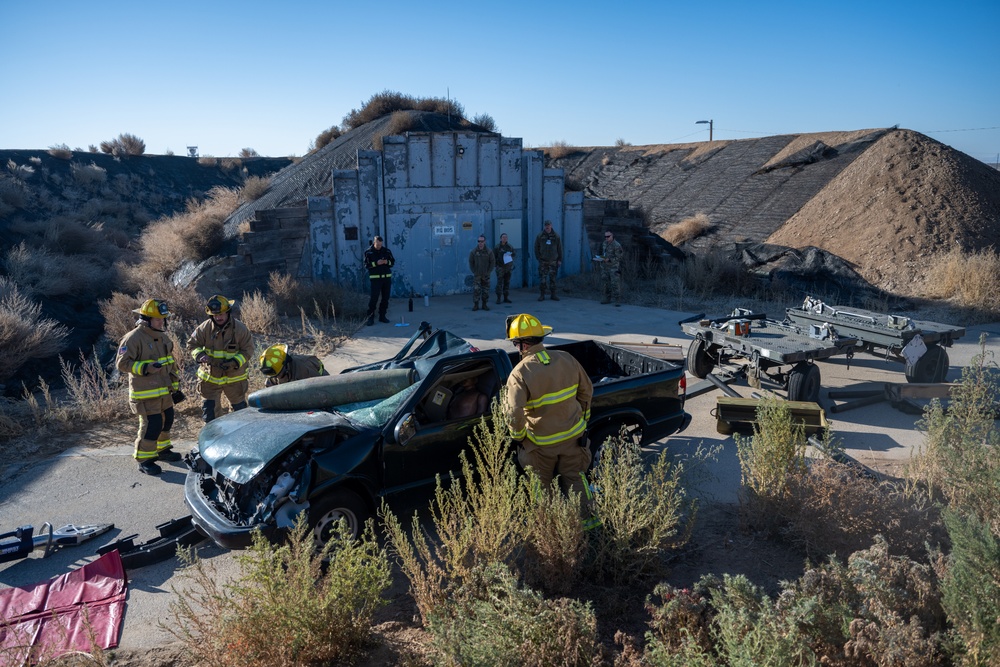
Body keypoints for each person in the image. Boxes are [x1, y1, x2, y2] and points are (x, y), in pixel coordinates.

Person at [504, 313, 593, 498]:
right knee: (577, 480)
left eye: (515, 343)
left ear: (523, 344)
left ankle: (549, 525)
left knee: (540, 487)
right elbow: (586, 392)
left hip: (540, 445)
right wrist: (582, 421)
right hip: (574, 439)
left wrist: (520, 438)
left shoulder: (519, 373)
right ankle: (589, 524)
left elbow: (513, 412)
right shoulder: (567, 358)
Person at [116, 298, 183, 475]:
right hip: (145, 394)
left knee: (167, 419)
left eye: (163, 319)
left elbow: (170, 364)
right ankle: (145, 459)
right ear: (146, 319)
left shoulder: (162, 337)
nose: (162, 322)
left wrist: (175, 388)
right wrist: (145, 368)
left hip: (164, 392)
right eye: (158, 319)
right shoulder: (133, 338)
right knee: (152, 425)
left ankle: (162, 450)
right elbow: (122, 364)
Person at [186, 295, 254, 423]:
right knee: (210, 417)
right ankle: (213, 441)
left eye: (222, 314)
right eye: (215, 315)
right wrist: (200, 355)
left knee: (239, 416)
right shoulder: (204, 328)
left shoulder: (240, 329)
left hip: (235, 379)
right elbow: (192, 345)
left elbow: (248, 350)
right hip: (210, 380)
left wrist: (235, 362)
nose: (218, 317)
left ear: (228, 312)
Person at [259, 343, 328, 386]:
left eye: (279, 374)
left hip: (322, 381)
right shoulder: (273, 372)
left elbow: (319, 387)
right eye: (275, 376)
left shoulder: (303, 368)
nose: (278, 377)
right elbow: (269, 388)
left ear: (285, 364)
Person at [364, 235, 395, 326]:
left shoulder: (387, 251)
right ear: (374, 243)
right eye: (377, 245)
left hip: (386, 278)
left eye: (380, 245)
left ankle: (382, 316)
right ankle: (370, 318)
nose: (379, 246)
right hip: (375, 279)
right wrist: (376, 263)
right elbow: (366, 265)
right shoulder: (368, 252)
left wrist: (386, 262)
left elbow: (392, 262)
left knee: (385, 298)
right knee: (374, 299)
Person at [533, 220, 562, 301]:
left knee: (553, 279)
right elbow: (536, 248)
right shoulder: (540, 236)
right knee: (543, 279)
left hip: (553, 261)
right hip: (543, 261)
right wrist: (538, 258)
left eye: (548, 225)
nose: (547, 227)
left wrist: (559, 259)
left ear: (551, 225)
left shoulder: (556, 236)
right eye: (546, 225)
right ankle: (542, 295)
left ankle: (553, 295)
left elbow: (559, 248)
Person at [469, 234, 495, 311]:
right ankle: (476, 305)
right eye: (479, 241)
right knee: (476, 290)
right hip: (477, 275)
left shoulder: (489, 251)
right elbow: (471, 262)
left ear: (484, 242)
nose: (480, 243)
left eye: (482, 241)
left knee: (485, 290)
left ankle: (484, 304)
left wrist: (489, 271)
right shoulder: (474, 251)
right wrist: (474, 271)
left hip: (486, 275)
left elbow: (492, 262)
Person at [599, 230, 624, 305]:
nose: (606, 238)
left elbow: (619, 257)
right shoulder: (604, 243)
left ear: (612, 236)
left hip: (613, 267)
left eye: (608, 236)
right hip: (605, 267)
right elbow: (603, 253)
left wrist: (609, 260)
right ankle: (607, 298)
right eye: (605, 236)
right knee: (605, 283)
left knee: (615, 284)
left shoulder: (617, 245)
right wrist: (601, 258)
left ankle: (617, 300)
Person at [493, 232, 516, 304]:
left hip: (508, 267)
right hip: (500, 267)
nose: (504, 238)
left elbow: (514, 254)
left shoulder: (510, 246)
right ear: (500, 238)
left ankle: (506, 297)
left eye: (506, 237)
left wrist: (510, 256)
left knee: (507, 282)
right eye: (503, 237)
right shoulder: (497, 247)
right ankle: (498, 298)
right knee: (499, 283)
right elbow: (493, 257)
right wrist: (496, 265)